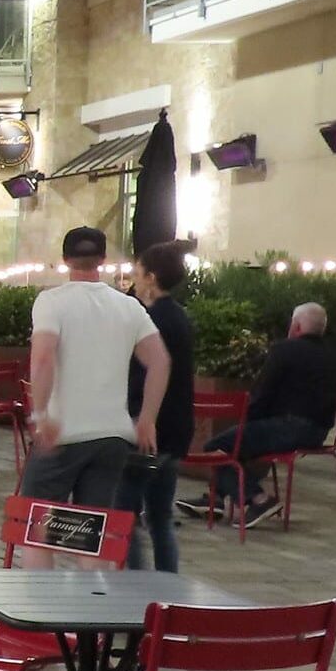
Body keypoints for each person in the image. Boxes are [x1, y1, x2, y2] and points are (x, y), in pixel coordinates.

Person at [22, 227, 170, 513]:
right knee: (94, 533)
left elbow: (42, 358)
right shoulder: (129, 307)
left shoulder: (51, 302)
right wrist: (147, 419)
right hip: (112, 436)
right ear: (102, 259)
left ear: (65, 259)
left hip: (63, 433)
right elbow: (160, 361)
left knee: (36, 530)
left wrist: (40, 414)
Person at [190, 301, 336, 528]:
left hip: (288, 427)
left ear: (296, 326)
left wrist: (245, 423)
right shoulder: (332, 358)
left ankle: (259, 499)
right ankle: (216, 499)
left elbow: (261, 395)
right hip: (318, 432)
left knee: (217, 446)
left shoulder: (284, 350)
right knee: (239, 443)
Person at [121, 241, 195, 569]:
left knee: (124, 519)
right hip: (176, 429)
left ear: (151, 277)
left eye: (138, 274)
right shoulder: (179, 317)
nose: (134, 281)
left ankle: (135, 592)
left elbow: (144, 376)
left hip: (148, 428)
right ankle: (168, 588)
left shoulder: (151, 322)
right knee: (161, 517)